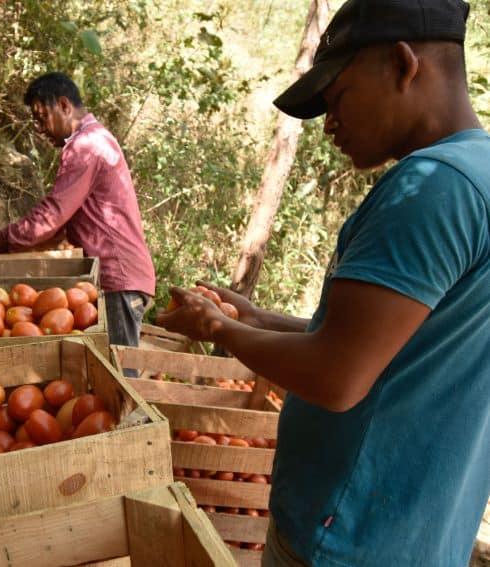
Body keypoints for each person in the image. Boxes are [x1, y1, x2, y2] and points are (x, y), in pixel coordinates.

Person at [156, 1, 490, 565]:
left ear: (404, 64)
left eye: (337, 99)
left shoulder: (434, 186)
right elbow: (392, 346)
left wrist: (218, 328)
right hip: (414, 538)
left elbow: (338, 375)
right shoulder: (477, 173)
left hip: (349, 540)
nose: (330, 124)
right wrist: (256, 318)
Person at [0, 72, 156, 351]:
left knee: (120, 379)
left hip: (118, 278)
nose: (39, 128)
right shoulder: (97, 139)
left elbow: (52, 216)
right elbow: (65, 223)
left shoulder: (86, 145)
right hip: (122, 276)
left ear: (64, 105)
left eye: (41, 117)